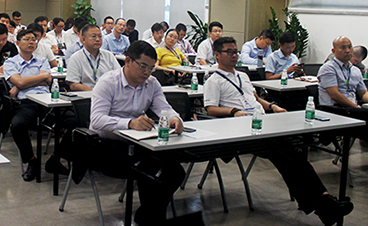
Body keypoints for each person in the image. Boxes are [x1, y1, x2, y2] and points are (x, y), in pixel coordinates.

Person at [204, 36, 354, 226]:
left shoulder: (242, 76)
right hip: (239, 128)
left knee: (292, 152)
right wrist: (233, 111)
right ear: (217, 55)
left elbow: (256, 98)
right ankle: (324, 204)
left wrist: (272, 106)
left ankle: (324, 203)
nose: (234, 56)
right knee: (286, 151)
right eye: (229, 52)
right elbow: (210, 109)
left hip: (261, 123)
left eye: (236, 52)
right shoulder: (214, 80)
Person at [90, 40, 185, 225]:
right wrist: (130, 123)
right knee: (148, 171)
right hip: (108, 145)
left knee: (175, 172)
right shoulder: (108, 82)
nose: (147, 72)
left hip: (140, 143)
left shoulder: (152, 83)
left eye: (151, 68)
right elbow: (97, 120)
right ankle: (152, 217)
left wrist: (174, 118)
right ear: (128, 61)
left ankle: (148, 214)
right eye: (143, 66)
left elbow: (164, 108)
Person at [4, 29, 74, 181]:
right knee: (17, 125)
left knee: (76, 122)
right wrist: (31, 80)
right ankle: (32, 161)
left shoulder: (42, 60)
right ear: (17, 43)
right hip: (27, 102)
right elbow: (23, 81)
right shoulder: (10, 62)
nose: (31, 42)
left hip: (47, 100)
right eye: (27, 39)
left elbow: (46, 80)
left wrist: (21, 84)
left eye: (33, 39)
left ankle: (55, 159)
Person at [318, 36, 368, 110]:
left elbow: (363, 93)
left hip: (352, 108)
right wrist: (356, 108)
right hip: (334, 109)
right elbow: (334, 95)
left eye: (350, 47)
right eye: (343, 48)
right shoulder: (328, 68)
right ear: (334, 51)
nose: (347, 50)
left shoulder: (355, 70)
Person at [66, 24, 120, 91]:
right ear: (83, 39)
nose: (97, 39)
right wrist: (95, 93)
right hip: (86, 95)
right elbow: (74, 85)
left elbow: (119, 77)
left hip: (108, 94)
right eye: (93, 36)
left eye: (100, 36)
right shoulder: (75, 58)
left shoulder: (109, 55)